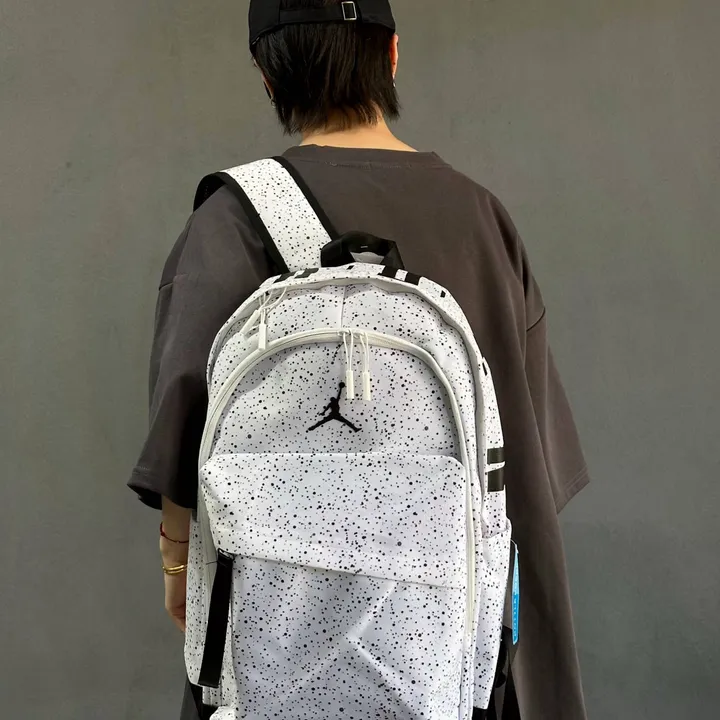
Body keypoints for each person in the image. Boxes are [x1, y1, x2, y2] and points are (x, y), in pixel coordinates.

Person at [129, 1, 590, 718]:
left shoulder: (230, 220)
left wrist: (178, 563)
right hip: (460, 663)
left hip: (282, 656)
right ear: (392, 55)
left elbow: (183, 435)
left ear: (268, 76)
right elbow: (530, 467)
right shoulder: (482, 219)